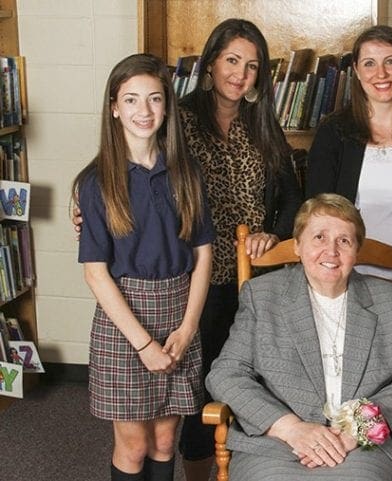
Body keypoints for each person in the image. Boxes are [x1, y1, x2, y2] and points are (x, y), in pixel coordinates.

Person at [73, 19, 302, 480]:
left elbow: (291, 196)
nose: (239, 73)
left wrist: (274, 235)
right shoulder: (169, 125)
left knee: (190, 418)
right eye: (231, 60)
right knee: (156, 430)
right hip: (171, 291)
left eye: (251, 66)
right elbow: (99, 260)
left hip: (231, 284)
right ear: (211, 62)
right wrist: (79, 192)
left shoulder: (254, 129)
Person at [206, 193, 392, 481]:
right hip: (276, 446)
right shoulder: (263, 296)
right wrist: (289, 427)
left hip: (360, 451)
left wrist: (361, 426)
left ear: (356, 250)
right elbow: (225, 374)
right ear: (297, 246)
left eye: (344, 240)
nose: (331, 251)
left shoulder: (390, 301)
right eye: (319, 237)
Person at [72, 53, 215, 481]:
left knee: (166, 440)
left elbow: (203, 254)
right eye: (131, 100)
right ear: (114, 107)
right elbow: (96, 272)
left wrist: (188, 329)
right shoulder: (96, 183)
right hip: (125, 321)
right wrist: (143, 345)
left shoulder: (186, 173)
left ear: (167, 106)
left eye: (154, 99)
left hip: (178, 312)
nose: (144, 111)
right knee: (134, 446)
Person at [305, 25, 392, 280]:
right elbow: (316, 213)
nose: (381, 73)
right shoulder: (333, 132)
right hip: (339, 277)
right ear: (355, 70)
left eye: (391, 61)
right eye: (369, 63)